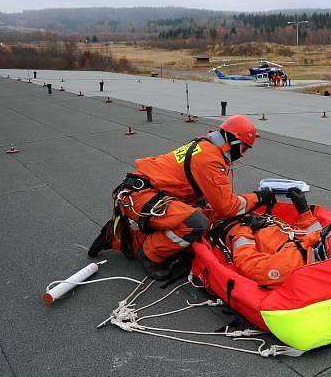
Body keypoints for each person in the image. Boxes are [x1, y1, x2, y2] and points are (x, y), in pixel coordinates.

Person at [88, 115, 276, 280]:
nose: (242, 156)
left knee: (206, 213)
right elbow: (227, 207)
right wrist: (258, 197)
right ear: (234, 143)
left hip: (144, 193)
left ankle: (118, 238)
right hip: (142, 196)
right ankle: (149, 254)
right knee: (196, 223)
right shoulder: (210, 159)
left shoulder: (205, 146)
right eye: (243, 149)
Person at [218, 188, 331, 286]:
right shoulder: (317, 250)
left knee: (218, 206)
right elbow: (317, 235)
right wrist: (304, 210)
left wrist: (245, 228)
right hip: (263, 224)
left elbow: (247, 263)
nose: (321, 235)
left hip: (237, 228)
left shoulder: (286, 266)